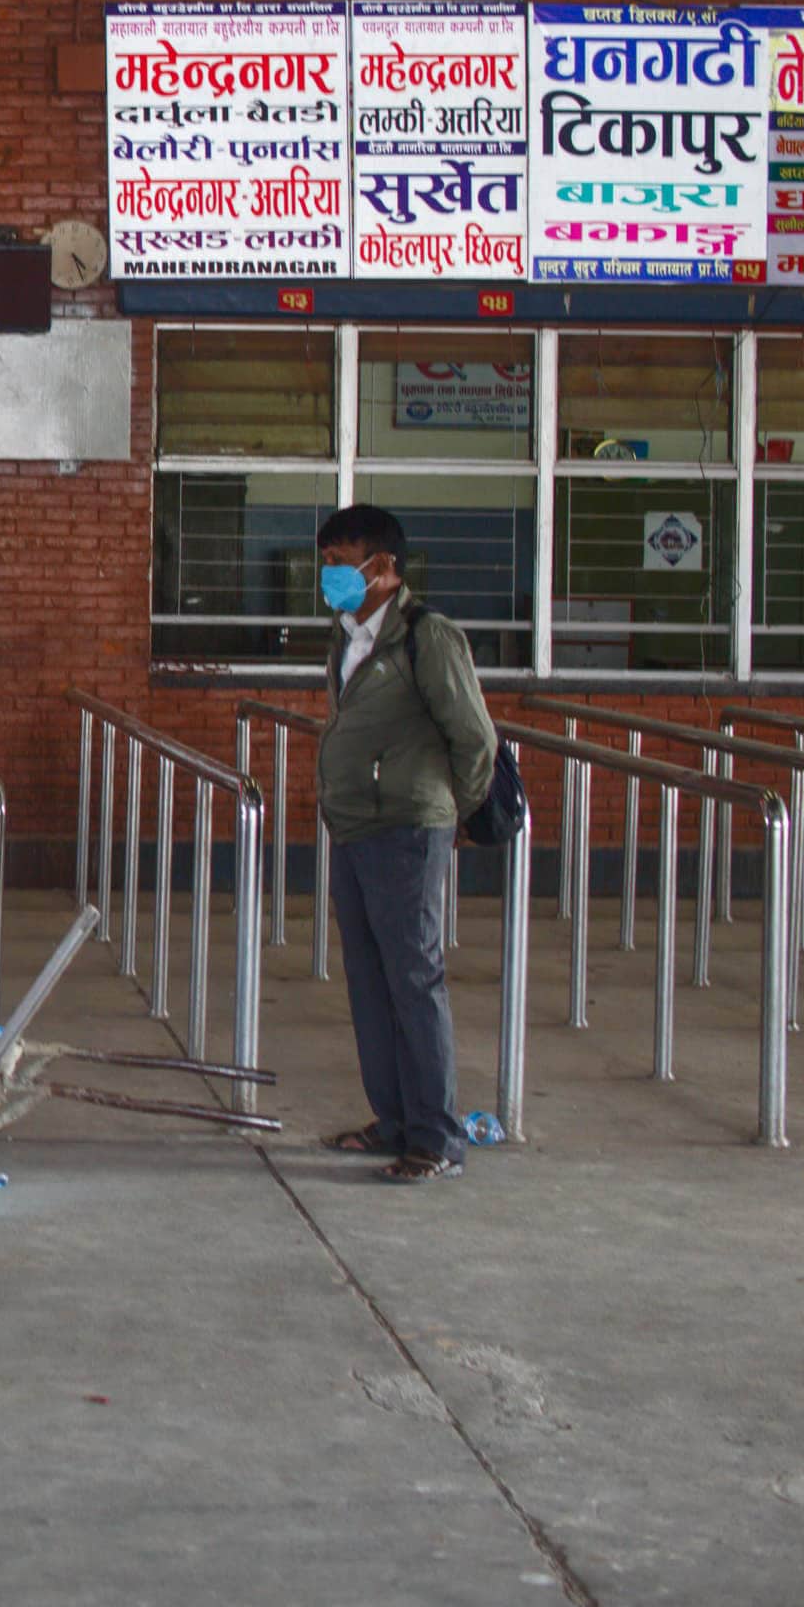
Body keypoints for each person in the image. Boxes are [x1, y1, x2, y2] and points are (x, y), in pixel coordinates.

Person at [313, 504, 495, 1184]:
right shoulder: (348, 638)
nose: (330, 576)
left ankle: (436, 1136)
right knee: (369, 982)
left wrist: (455, 814)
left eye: (341, 563)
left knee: (414, 981)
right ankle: (392, 1120)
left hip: (407, 830)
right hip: (355, 826)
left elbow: (474, 738)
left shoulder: (428, 636)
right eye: (326, 562)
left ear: (383, 568)